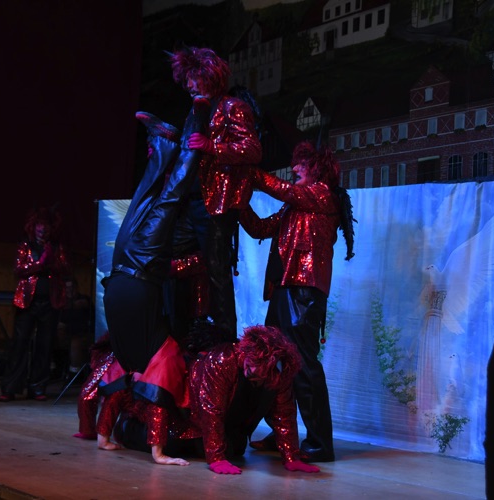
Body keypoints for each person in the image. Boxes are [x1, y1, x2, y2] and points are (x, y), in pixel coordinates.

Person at [100, 94, 211, 465]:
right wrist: (157, 453)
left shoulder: (138, 363)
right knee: (162, 198)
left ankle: (165, 142)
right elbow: (153, 396)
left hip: (126, 272)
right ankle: (190, 124)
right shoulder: (154, 358)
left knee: (149, 199)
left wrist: (105, 439)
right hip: (135, 271)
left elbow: (123, 394)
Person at [240, 140, 356, 462]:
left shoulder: (322, 195)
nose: (294, 169)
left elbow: (282, 190)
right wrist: (238, 204)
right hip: (285, 289)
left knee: (302, 364)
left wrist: (248, 171)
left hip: (303, 292)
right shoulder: (297, 205)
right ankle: (283, 433)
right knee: (273, 362)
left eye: (301, 165)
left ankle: (319, 444)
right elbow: (260, 228)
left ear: (317, 169)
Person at [112, 324, 320, 475]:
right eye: (251, 365)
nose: (252, 370)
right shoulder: (222, 359)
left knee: (235, 449)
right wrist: (216, 458)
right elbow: (211, 409)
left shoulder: (279, 375)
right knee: (173, 443)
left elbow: (284, 413)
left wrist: (291, 456)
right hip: (188, 418)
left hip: (225, 421)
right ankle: (128, 427)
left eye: (258, 370)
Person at [169, 46, 263, 341]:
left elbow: (252, 149)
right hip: (191, 201)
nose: (189, 85)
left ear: (209, 76)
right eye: (187, 80)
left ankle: (224, 335)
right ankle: (183, 326)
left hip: (217, 203)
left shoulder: (232, 107)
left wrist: (213, 147)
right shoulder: (194, 111)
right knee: (170, 253)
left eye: (194, 78)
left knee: (217, 269)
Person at [0, 207, 71, 402]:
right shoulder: (26, 246)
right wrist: (40, 264)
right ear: (33, 226)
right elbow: (18, 269)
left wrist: (51, 260)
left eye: (46, 225)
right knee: (20, 344)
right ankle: (10, 387)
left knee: (44, 345)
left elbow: (65, 268)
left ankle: (37, 388)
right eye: (40, 225)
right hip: (27, 303)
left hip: (50, 302)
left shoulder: (56, 247)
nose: (43, 229)